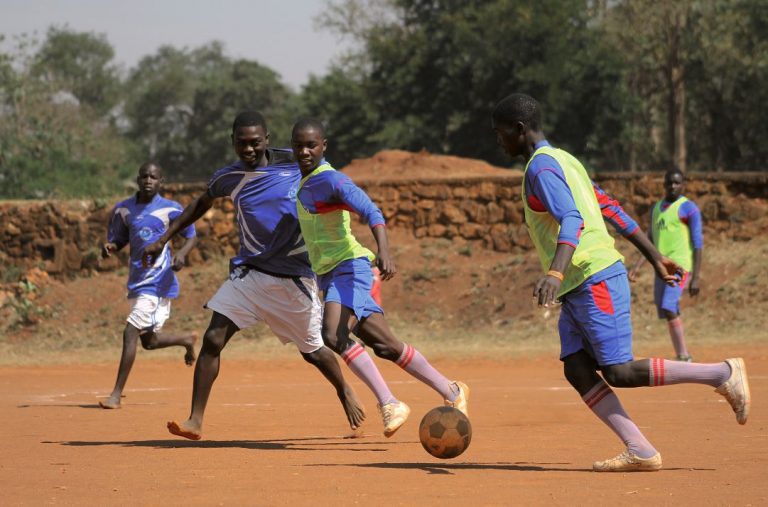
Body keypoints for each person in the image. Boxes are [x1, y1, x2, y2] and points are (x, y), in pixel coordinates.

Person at [490, 93, 750, 472]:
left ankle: (721, 374)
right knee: (576, 368)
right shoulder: (567, 161)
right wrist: (655, 256)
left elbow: (573, 219)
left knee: (619, 371)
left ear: (519, 129)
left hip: (592, 276)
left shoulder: (540, 169)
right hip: (579, 284)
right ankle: (640, 449)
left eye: (500, 134)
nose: (498, 142)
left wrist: (554, 272)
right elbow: (609, 207)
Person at [142, 111, 365, 440]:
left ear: (267, 140)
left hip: (293, 279)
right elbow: (200, 203)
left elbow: (331, 183)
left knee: (313, 351)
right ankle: (195, 420)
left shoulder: (295, 164)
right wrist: (164, 238)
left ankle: (345, 390)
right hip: (250, 274)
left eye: (255, 142)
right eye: (242, 143)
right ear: (231, 141)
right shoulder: (228, 177)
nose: (249, 148)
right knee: (213, 338)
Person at [291, 117, 469, 438]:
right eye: (298, 145)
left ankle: (390, 403)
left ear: (324, 146)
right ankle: (452, 390)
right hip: (330, 277)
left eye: (311, 145)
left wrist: (384, 250)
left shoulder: (331, 181)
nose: (304, 151)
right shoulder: (304, 178)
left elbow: (371, 211)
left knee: (331, 334)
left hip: (351, 268)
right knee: (385, 346)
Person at [99, 162, 198, 409]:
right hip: (137, 281)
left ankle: (115, 394)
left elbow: (191, 235)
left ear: (161, 181)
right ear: (137, 178)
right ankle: (186, 339)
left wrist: (183, 255)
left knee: (130, 331)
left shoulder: (171, 209)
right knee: (149, 342)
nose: (148, 180)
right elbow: (120, 238)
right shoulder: (123, 210)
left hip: (159, 282)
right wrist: (111, 247)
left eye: (154, 177)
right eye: (144, 176)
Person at [628, 168, 703, 361]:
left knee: (669, 306)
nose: (673, 186)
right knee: (666, 310)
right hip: (660, 268)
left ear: (683, 184)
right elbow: (649, 241)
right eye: (669, 183)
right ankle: (682, 352)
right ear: (664, 185)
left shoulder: (689, 208)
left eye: (677, 183)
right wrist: (637, 266)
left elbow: (698, 243)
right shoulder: (656, 208)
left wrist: (696, 277)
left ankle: (683, 355)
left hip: (680, 266)